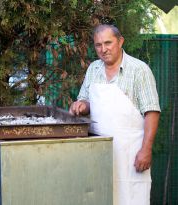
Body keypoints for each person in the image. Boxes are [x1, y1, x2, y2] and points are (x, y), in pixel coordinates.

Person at [69, 24, 160, 205]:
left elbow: (152, 112)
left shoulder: (139, 70)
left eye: (108, 43)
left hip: (130, 153)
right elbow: (86, 101)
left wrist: (146, 149)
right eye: (98, 45)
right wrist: (80, 105)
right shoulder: (93, 69)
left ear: (120, 41)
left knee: (130, 198)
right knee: (100, 196)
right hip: (98, 152)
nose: (103, 49)